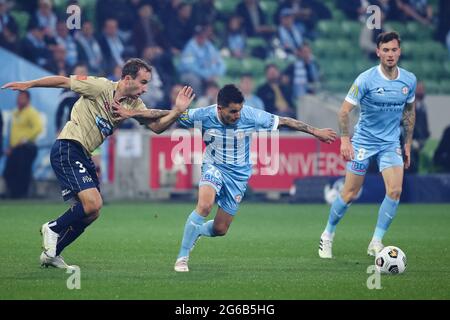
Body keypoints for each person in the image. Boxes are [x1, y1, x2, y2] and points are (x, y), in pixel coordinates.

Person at [113, 84, 337, 272]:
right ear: (219, 108)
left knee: (221, 229)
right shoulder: (203, 115)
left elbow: (286, 121)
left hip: (239, 176)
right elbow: (162, 114)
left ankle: (196, 230)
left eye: (239, 110)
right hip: (213, 166)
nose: (237, 115)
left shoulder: (251, 115)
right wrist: (131, 114)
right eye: (232, 111)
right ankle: (182, 258)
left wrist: (315, 131)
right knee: (205, 204)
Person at [2, 58, 195, 269]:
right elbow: (64, 82)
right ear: (128, 78)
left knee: (92, 212)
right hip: (68, 145)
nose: (145, 89)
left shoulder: (133, 104)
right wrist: (29, 84)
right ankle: (53, 228)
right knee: (92, 203)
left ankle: (52, 254)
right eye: (143, 82)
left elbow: (157, 127)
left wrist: (176, 111)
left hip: (83, 154)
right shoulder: (100, 86)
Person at [317, 32, 417, 259]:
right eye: (386, 50)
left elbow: (410, 112)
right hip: (363, 142)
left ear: (399, 51)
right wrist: (345, 139)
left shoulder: (409, 80)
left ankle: (376, 241)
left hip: (390, 143)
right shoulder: (366, 79)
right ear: (378, 52)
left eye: (394, 50)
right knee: (349, 194)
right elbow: (343, 111)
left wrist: (408, 144)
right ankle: (327, 234)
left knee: (395, 190)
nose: (390, 54)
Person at [3, 90, 43, 199]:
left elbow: (38, 128)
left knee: (22, 172)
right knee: (8, 172)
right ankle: (14, 194)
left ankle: (21, 196)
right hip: (15, 148)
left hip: (26, 147)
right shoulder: (16, 113)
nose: (19, 99)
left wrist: (25, 139)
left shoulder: (31, 112)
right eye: (19, 97)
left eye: (22, 97)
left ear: (28, 100)